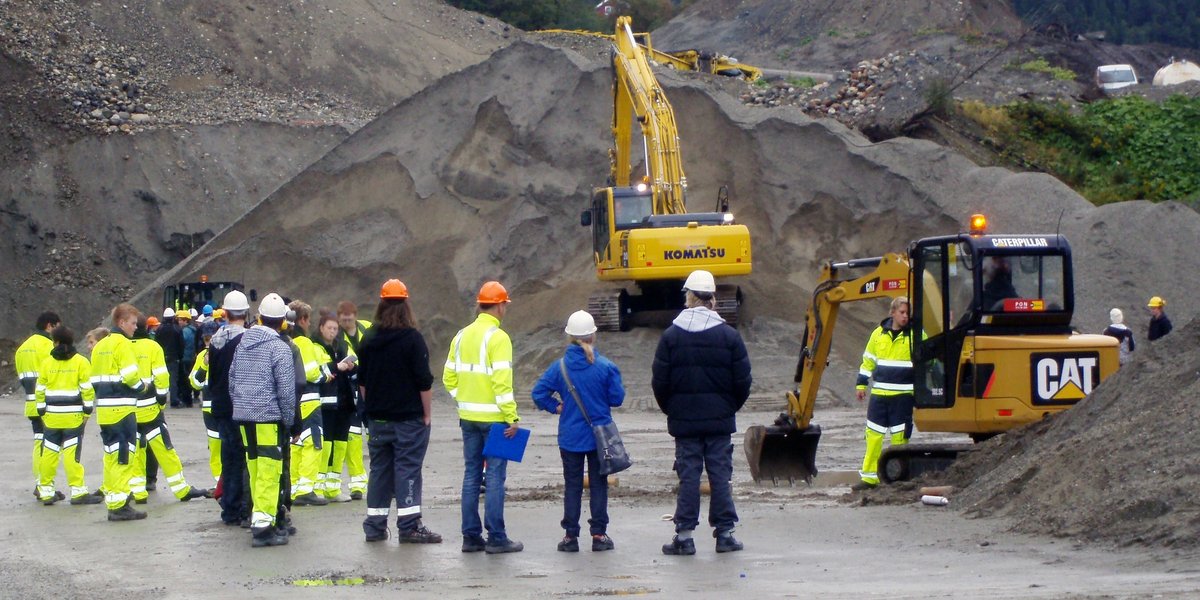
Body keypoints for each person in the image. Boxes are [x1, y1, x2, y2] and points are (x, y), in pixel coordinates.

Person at [652, 270, 751, 555]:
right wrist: (728, 408)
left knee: (689, 477)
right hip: (719, 421)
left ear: (689, 297)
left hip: (685, 422)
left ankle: (684, 537)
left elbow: (660, 382)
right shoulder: (729, 336)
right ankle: (725, 535)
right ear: (712, 299)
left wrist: (674, 410)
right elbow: (743, 381)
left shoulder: (671, 337)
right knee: (720, 476)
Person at [531, 310, 624, 553]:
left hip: (570, 437)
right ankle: (599, 535)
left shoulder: (559, 367)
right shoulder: (606, 367)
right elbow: (617, 399)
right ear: (593, 335)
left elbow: (538, 394)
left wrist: (556, 406)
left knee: (572, 486)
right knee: (599, 485)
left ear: (570, 337)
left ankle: (570, 536)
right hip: (599, 438)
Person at [358, 279, 442, 543]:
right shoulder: (412, 339)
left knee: (379, 471)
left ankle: (375, 526)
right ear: (406, 305)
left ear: (381, 305)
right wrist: (427, 414)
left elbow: (362, 382)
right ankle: (409, 526)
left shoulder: (368, 338)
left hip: (378, 419)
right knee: (408, 469)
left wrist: (372, 409)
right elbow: (424, 381)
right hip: (408, 419)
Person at [443, 281, 524, 554]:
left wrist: (463, 398)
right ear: (499, 306)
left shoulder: (461, 335)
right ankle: (497, 537)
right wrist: (512, 417)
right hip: (495, 420)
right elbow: (502, 383)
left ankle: (471, 537)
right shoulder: (499, 338)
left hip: (468, 417)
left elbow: (448, 377)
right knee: (495, 478)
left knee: (471, 475)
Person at [230, 292, 297, 547]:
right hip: (268, 417)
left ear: (259, 317)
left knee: (255, 468)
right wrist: (289, 421)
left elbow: (232, 380)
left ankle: (261, 517)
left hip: (244, 416)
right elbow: (286, 392)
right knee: (270, 471)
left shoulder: (242, 344)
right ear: (282, 321)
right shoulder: (279, 348)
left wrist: (240, 406)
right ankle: (263, 527)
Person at [129, 315, 209, 503]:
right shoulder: (152, 347)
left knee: (136, 451)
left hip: (129, 410)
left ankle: (138, 492)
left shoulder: (122, 347)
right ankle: (181, 489)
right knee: (165, 449)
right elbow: (162, 378)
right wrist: (160, 402)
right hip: (150, 410)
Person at [91, 303, 149, 521]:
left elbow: (93, 380)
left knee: (111, 455)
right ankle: (119, 505)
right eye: (133, 323)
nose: (136, 327)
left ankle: (114, 499)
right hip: (123, 409)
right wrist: (143, 387)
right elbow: (131, 376)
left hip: (105, 410)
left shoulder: (100, 346)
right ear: (122, 322)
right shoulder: (122, 344)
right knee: (124, 456)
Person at [34, 326, 103, 505]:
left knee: (49, 453)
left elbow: (40, 390)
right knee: (72, 455)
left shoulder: (47, 362)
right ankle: (78, 491)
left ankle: (46, 491)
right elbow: (87, 390)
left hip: (51, 417)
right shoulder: (81, 362)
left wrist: (42, 411)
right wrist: (87, 412)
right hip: (73, 417)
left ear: (55, 342)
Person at [852, 297, 915, 491]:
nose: (905, 316)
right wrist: (861, 385)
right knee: (873, 436)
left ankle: (898, 478)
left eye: (908, 313)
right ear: (892, 312)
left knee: (899, 438)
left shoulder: (915, 334)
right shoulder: (878, 334)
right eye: (902, 312)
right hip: (879, 397)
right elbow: (868, 361)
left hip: (903, 397)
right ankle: (869, 478)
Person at [208, 290, 251, 526]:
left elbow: (213, 376)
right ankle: (243, 508)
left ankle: (229, 508)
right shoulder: (246, 340)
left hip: (220, 406)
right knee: (244, 459)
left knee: (229, 458)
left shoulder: (215, 340)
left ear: (224, 312)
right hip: (240, 406)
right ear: (246, 313)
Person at [287, 300, 330, 507]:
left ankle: (295, 488)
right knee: (313, 443)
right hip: (310, 400)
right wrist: (325, 375)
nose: (310, 323)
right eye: (308, 319)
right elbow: (311, 372)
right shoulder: (304, 343)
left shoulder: (286, 341)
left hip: (293, 400)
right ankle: (306, 489)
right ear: (302, 319)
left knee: (296, 444)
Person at [16, 311, 61, 501]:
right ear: (50, 326)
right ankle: (44, 486)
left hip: (31, 403)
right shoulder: (49, 346)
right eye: (57, 327)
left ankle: (40, 484)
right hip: (47, 404)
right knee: (49, 447)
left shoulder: (22, 349)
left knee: (39, 442)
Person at [313, 313, 355, 503]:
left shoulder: (342, 345)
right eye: (329, 328)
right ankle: (318, 487)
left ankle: (333, 487)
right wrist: (337, 366)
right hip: (326, 404)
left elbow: (357, 366)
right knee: (326, 446)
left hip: (344, 402)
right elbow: (318, 370)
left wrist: (351, 366)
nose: (332, 331)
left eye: (335, 329)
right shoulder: (315, 346)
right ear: (321, 328)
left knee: (340, 445)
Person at [337, 300, 371, 500]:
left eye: (349, 320)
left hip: (371, 389)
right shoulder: (337, 337)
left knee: (376, 437)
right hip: (350, 391)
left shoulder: (367, 329)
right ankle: (357, 485)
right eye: (344, 320)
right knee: (353, 438)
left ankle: (383, 481)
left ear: (356, 317)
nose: (347, 323)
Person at [190, 326, 223, 485]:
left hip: (227, 409)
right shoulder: (202, 356)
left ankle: (231, 483)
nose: (208, 343)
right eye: (206, 340)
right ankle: (219, 484)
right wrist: (204, 365)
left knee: (231, 447)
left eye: (211, 339)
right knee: (215, 448)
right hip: (210, 410)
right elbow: (195, 384)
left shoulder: (228, 353)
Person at [157, 308, 183, 408]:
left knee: (160, 379)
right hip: (173, 357)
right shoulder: (177, 329)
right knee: (173, 380)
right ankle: (174, 400)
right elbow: (181, 344)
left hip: (162, 357)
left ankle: (160, 399)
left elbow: (156, 343)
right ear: (173, 318)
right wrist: (180, 356)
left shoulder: (159, 329)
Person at [177, 311, 198, 408]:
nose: (179, 322)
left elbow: (181, 343)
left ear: (186, 321)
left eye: (181, 320)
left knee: (184, 381)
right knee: (189, 378)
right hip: (191, 357)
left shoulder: (185, 331)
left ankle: (186, 400)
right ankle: (191, 398)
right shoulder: (193, 330)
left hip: (185, 358)